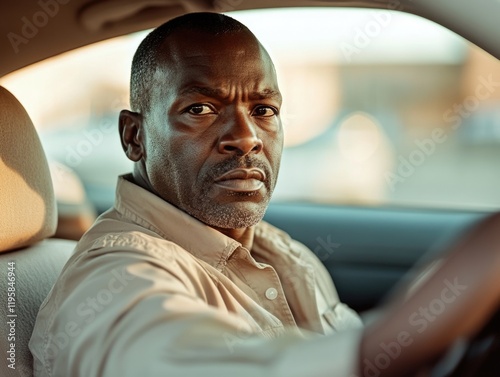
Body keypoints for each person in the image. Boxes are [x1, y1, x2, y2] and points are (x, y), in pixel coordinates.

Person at [30, 12, 500, 377]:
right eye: (200, 108)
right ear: (134, 137)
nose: (246, 135)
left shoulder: (277, 250)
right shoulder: (114, 279)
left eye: (263, 109)